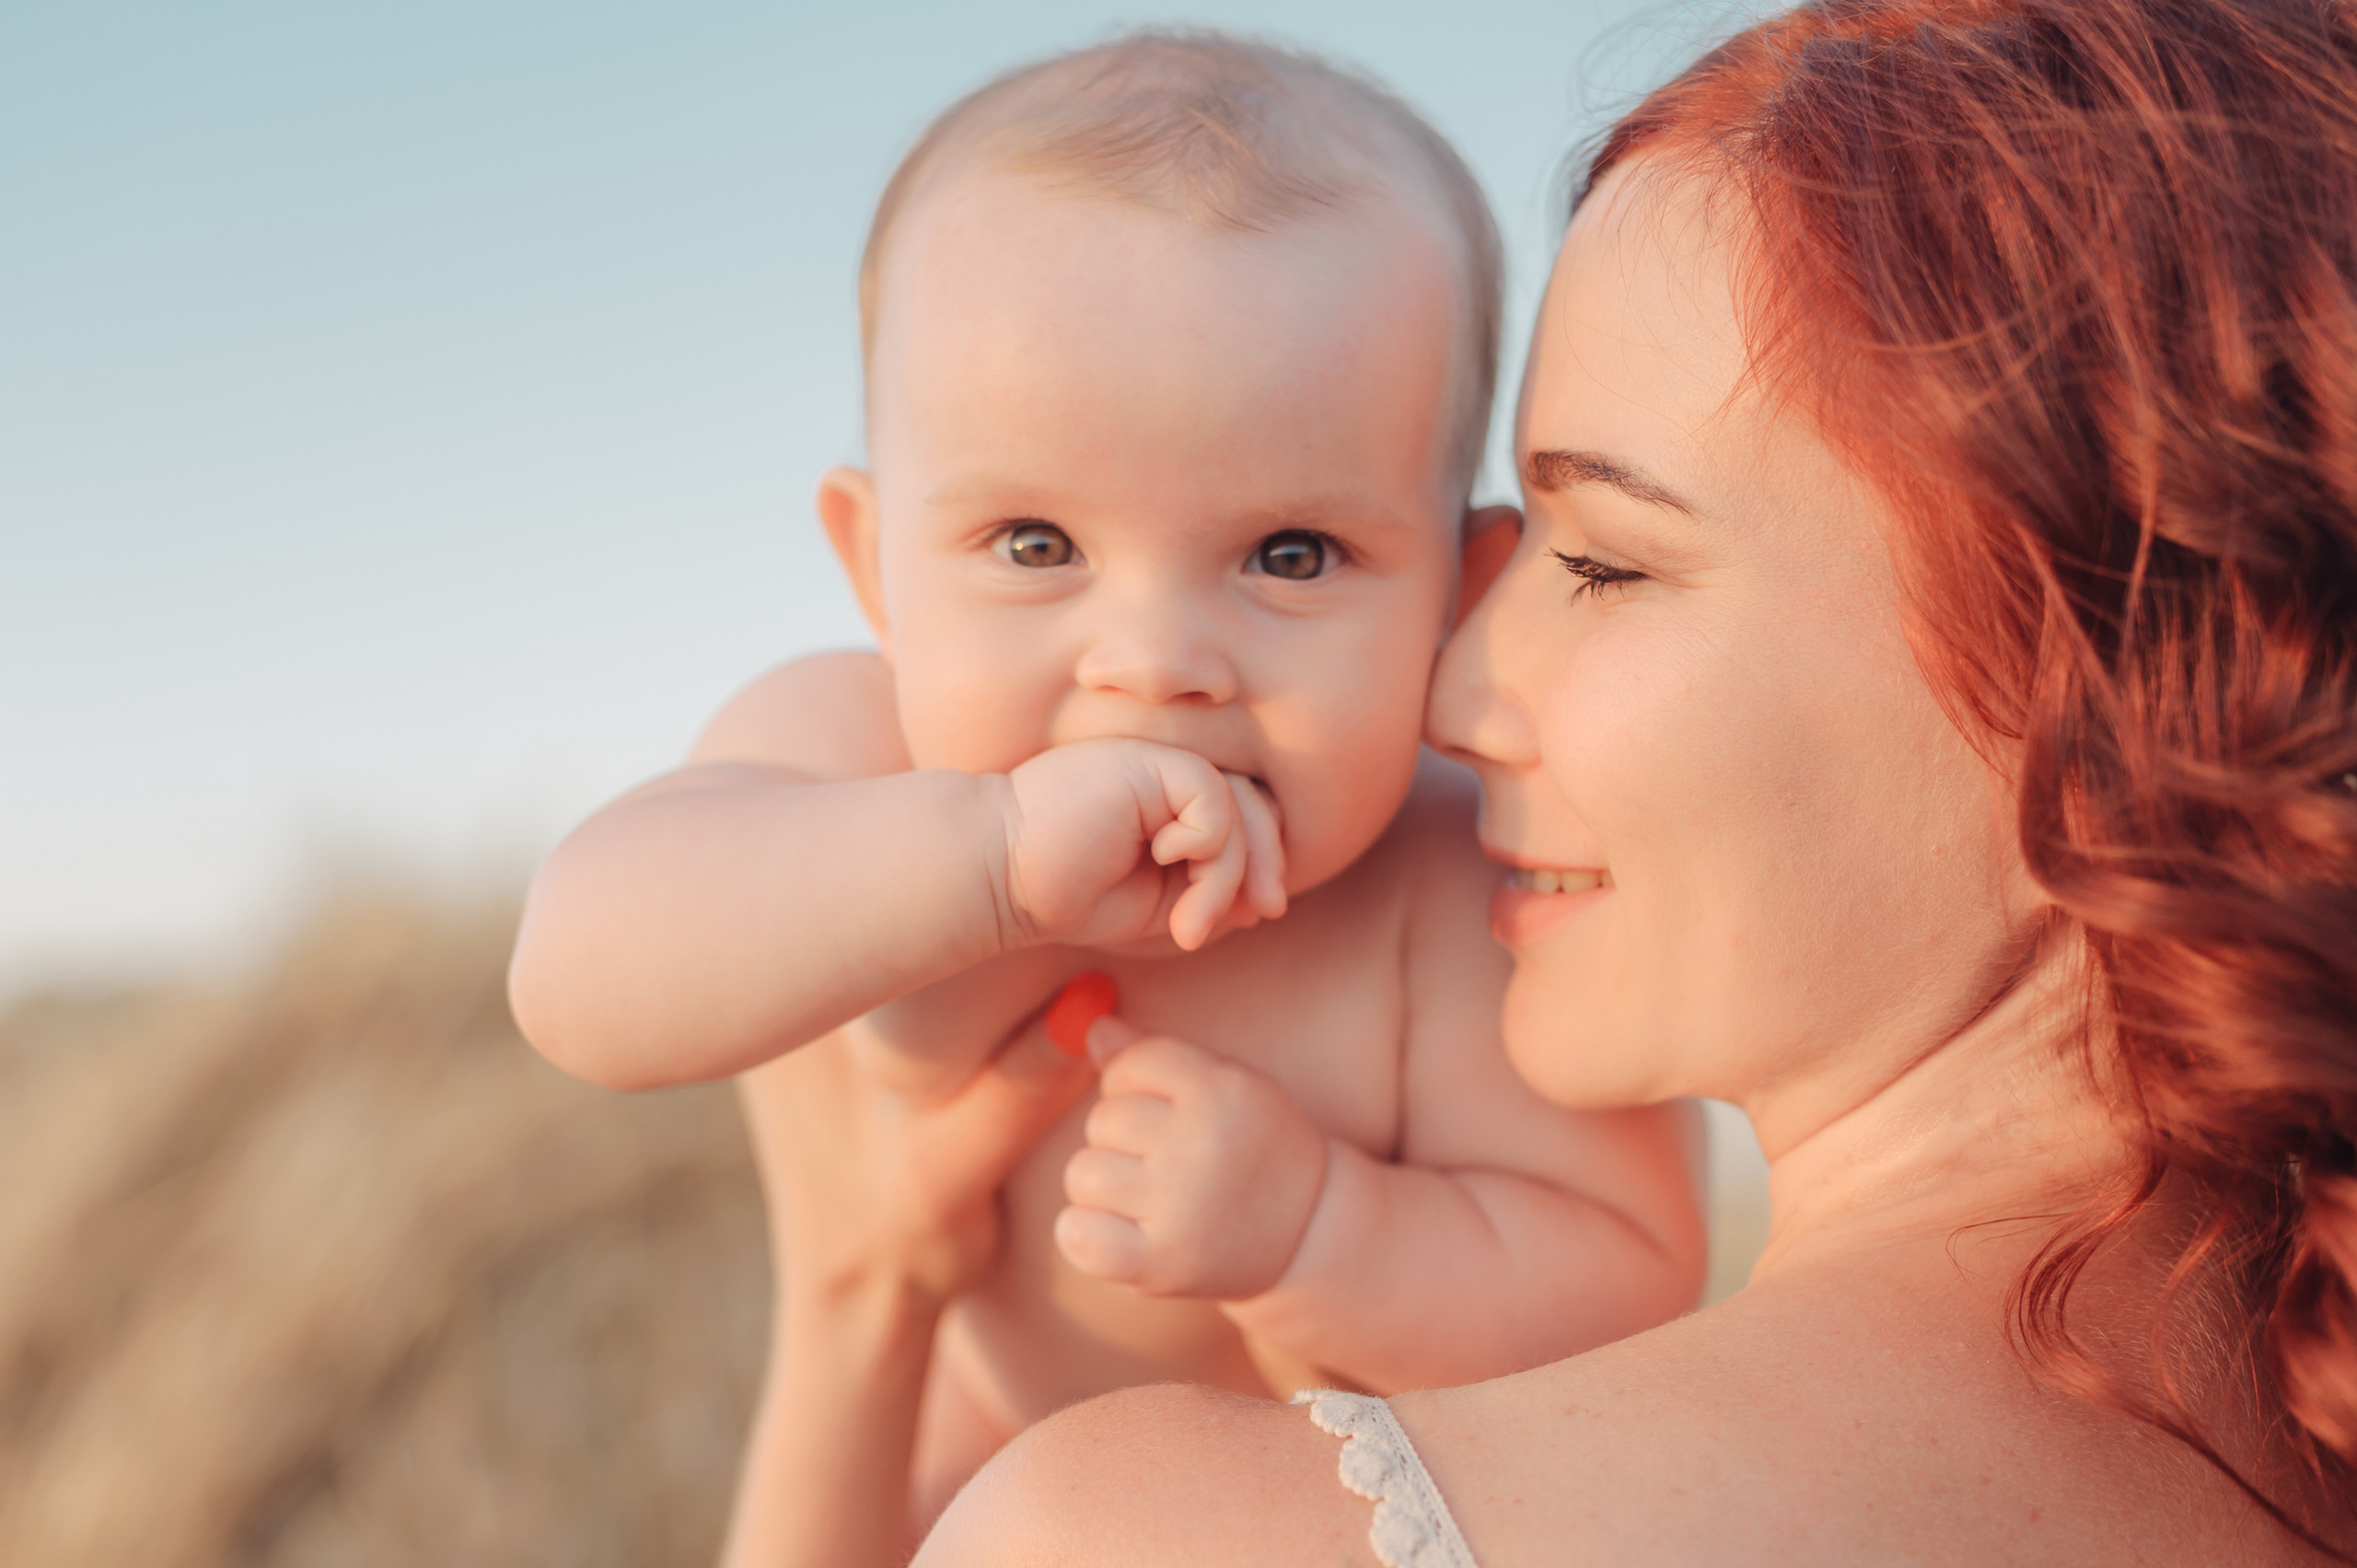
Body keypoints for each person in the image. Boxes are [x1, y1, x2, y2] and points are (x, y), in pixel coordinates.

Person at [889, 0, 2357, 1562]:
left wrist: (858, 1324)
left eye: (1600, 563)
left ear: (2104, 648)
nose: (1448, 694)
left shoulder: (1152, 1532)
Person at [503, 30, 1706, 1558]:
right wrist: (986, 857)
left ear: (1456, 596)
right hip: (960, 1448)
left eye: (1289, 554)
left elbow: (1627, 1289)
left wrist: (1323, 1228)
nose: (1151, 666)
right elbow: (578, 980)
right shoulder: (862, 753)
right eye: (1031, 544)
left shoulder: (1450, 878)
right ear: (873, 566)